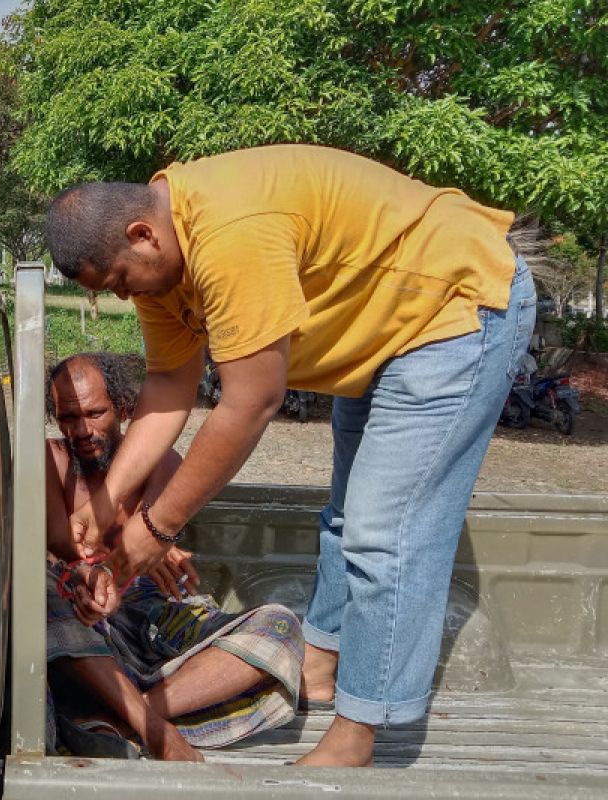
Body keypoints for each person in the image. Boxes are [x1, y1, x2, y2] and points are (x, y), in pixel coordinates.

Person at [44, 145, 536, 767]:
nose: (121, 296)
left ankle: (359, 734)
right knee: (347, 518)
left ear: (142, 235)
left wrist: (154, 528)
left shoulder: (229, 234)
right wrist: (111, 499)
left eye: (117, 281)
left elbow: (250, 403)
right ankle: (322, 667)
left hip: (453, 309)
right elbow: (170, 384)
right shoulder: (164, 260)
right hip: (382, 336)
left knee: (388, 535)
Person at [44, 353, 303, 761]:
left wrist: (147, 549)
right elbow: (63, 545)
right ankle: (154, 727)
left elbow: (152, 530)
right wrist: (131, 554)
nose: (81, 430)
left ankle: (134, 717)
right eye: (68, 417)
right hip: (86, 621)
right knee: (42, 601)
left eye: (94, 414)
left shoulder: (163, 461)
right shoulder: (52, 460)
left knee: (281, 629)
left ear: (124, 408)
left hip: (155, 616)